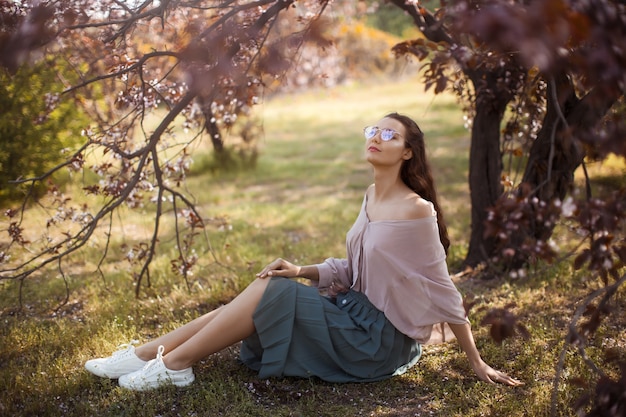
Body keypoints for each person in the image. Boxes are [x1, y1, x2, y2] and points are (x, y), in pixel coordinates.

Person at [85, 112, 523, 391]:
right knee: (272, 283)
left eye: (389, 134)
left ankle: (176, 365)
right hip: (354, 311)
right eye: (373, 130)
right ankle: (145, 353)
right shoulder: (372, 195)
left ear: (407, 151)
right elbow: (354, 267)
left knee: (273, 295)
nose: (376, 137)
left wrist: (477, 363)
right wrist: (301, 269)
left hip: (378, 342)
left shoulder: (417, 211)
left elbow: (444, 290)